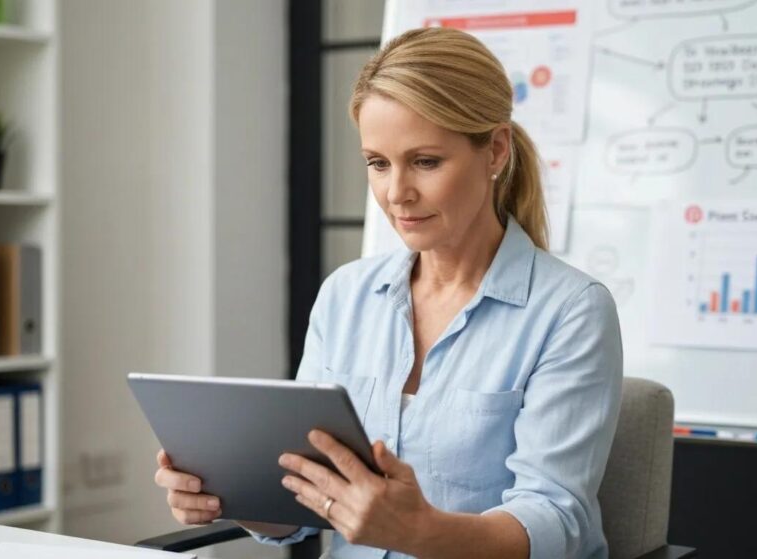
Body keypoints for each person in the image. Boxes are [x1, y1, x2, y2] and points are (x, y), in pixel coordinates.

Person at [154, 27, 622, 558]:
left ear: (494, 150)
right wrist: (230, 495)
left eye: (425, 162)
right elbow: (306, 505)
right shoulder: (345, 296)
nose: (396, 193)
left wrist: (418, 531)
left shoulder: (570, 312)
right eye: (378, 163)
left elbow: (555, 522)